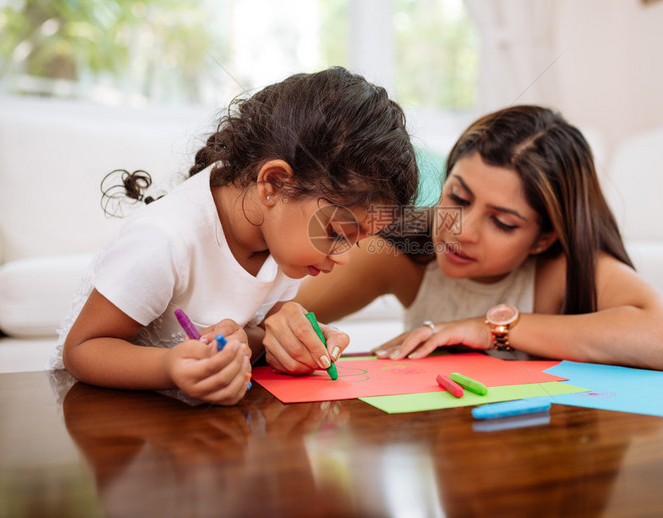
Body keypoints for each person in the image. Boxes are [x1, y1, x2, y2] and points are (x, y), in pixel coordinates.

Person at [47, 67, 419, 404]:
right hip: (113, 420)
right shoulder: (167, 239)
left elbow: (253, 334)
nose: (343, 258)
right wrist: (170, 367)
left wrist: (284, 339)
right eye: (338, 233)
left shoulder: (280, 238)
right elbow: (81, 349)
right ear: (273, 183)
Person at [289, 105, 663, 374]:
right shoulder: (404, 250)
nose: (460, 230)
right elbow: (275, 312)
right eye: (458, 197)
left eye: (502, 222)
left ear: (542, 239)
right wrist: (278, 331)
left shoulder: (560, 268)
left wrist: (490, 329)